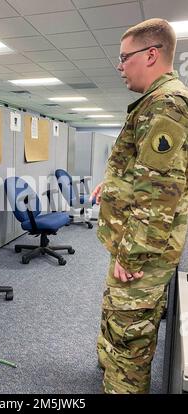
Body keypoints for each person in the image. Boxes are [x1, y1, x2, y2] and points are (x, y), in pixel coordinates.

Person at [90, 18, 188, 393]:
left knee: (129, 339)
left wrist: (131, 256)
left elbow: (162, 193)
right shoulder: (153, 103)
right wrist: (112, 186)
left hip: (140, 254)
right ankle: (109, 369)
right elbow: (146, 175)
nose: (119, 65)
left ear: (151, 54)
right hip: (133, 246)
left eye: (124, 57)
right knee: (118, 324)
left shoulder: (167, 105)